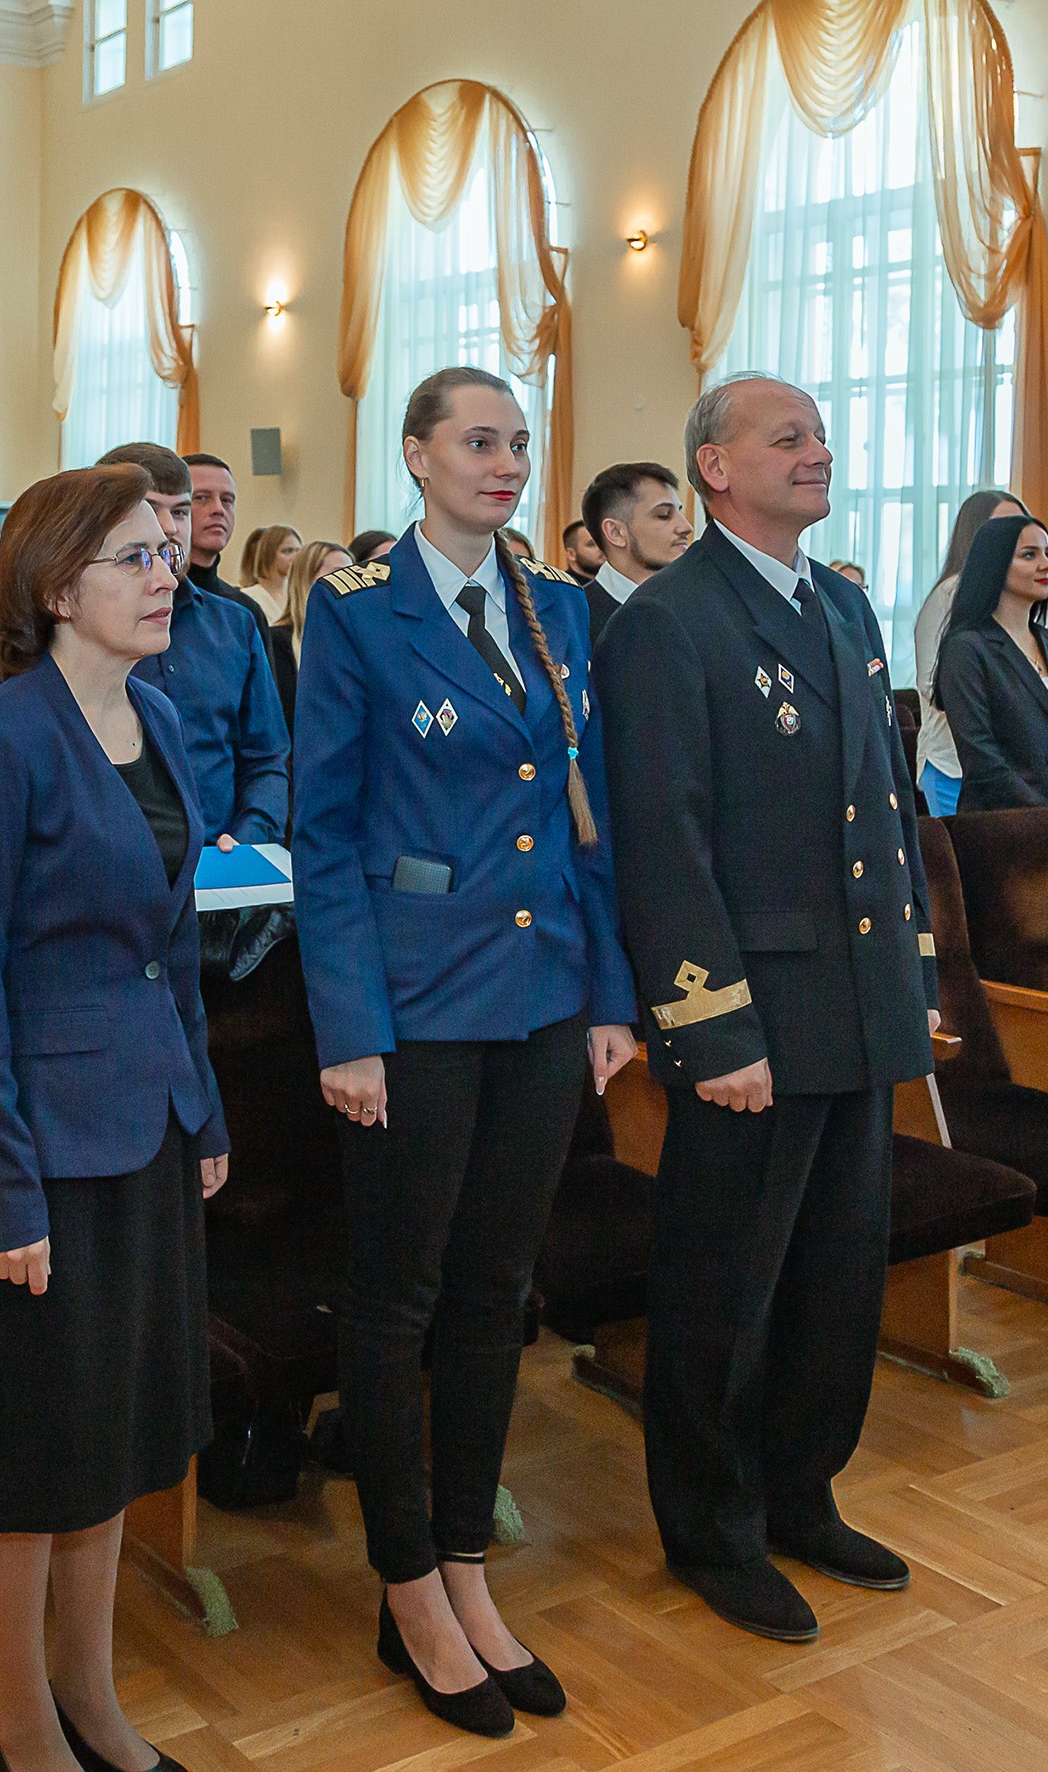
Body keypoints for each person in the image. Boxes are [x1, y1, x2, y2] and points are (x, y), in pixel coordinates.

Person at [294, 366, 637, 1735]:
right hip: (416, 1003)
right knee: (400, 1297)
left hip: (544, 990)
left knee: (499, 1291)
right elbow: (322, 838)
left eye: (517, 443)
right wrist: (349, 1030)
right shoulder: (359, 615)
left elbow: (581, 821)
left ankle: (467, 1565)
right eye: (476, 442)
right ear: (415, 457)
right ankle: (405, 1588)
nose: (503, 463)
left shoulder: (556, 612)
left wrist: (608, 992)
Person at [594, 373, 940, 1644]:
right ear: (713, 467)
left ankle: (801, 1489)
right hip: (751, 1013)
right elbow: (662, 841)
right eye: (785, 437)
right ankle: (712, 1526)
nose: (817, 453)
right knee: (722, 1289)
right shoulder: (667, 623)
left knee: (837, 1277)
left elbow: (884, 805)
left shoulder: (844, 603)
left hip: (855, 999)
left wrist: (911, 971)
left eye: (821, 437)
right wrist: (711, 1029)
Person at [0, 465, 224, 1772]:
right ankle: (26, 1720)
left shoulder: (155, 720)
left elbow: (176, 947)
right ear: (55, 588)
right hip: (42, 1149)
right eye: (134, 559)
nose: (166, 576)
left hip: (146, 1127)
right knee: (41, 1454)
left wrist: (202, 1112)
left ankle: (92, 1693)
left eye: (168, 552)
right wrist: (0, 1192)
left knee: (113, 1440)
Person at [99, 444, 290, 847]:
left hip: (223, 864)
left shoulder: (235, 624)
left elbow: (267, 757)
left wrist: (249, 836)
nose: (170, 527)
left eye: (181, 511)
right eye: (151, 508)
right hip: (114, 873)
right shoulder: (84, 629)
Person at [912, 490, 1048, 816]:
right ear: (993, 562)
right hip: (1007, 823)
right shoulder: (966, 647)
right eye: (1029, 555)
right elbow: (982, 759)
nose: (1046, 564)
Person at [578, 461, 693, 644]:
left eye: (680, 512)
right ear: (616, 533)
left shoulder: (695, 602)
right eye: (664, 515)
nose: (686, 527)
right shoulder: (576, 618)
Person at [268, 538, 350, 725]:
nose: (349, 585)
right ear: (307, 579)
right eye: (339, 575)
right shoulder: (278, 641)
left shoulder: (354, 643)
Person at [234, 523, 300, 628]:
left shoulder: (298, 594)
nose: (295, 557)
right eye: (287, 551)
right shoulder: (248, 596)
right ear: (269, 554)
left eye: (298, 551)